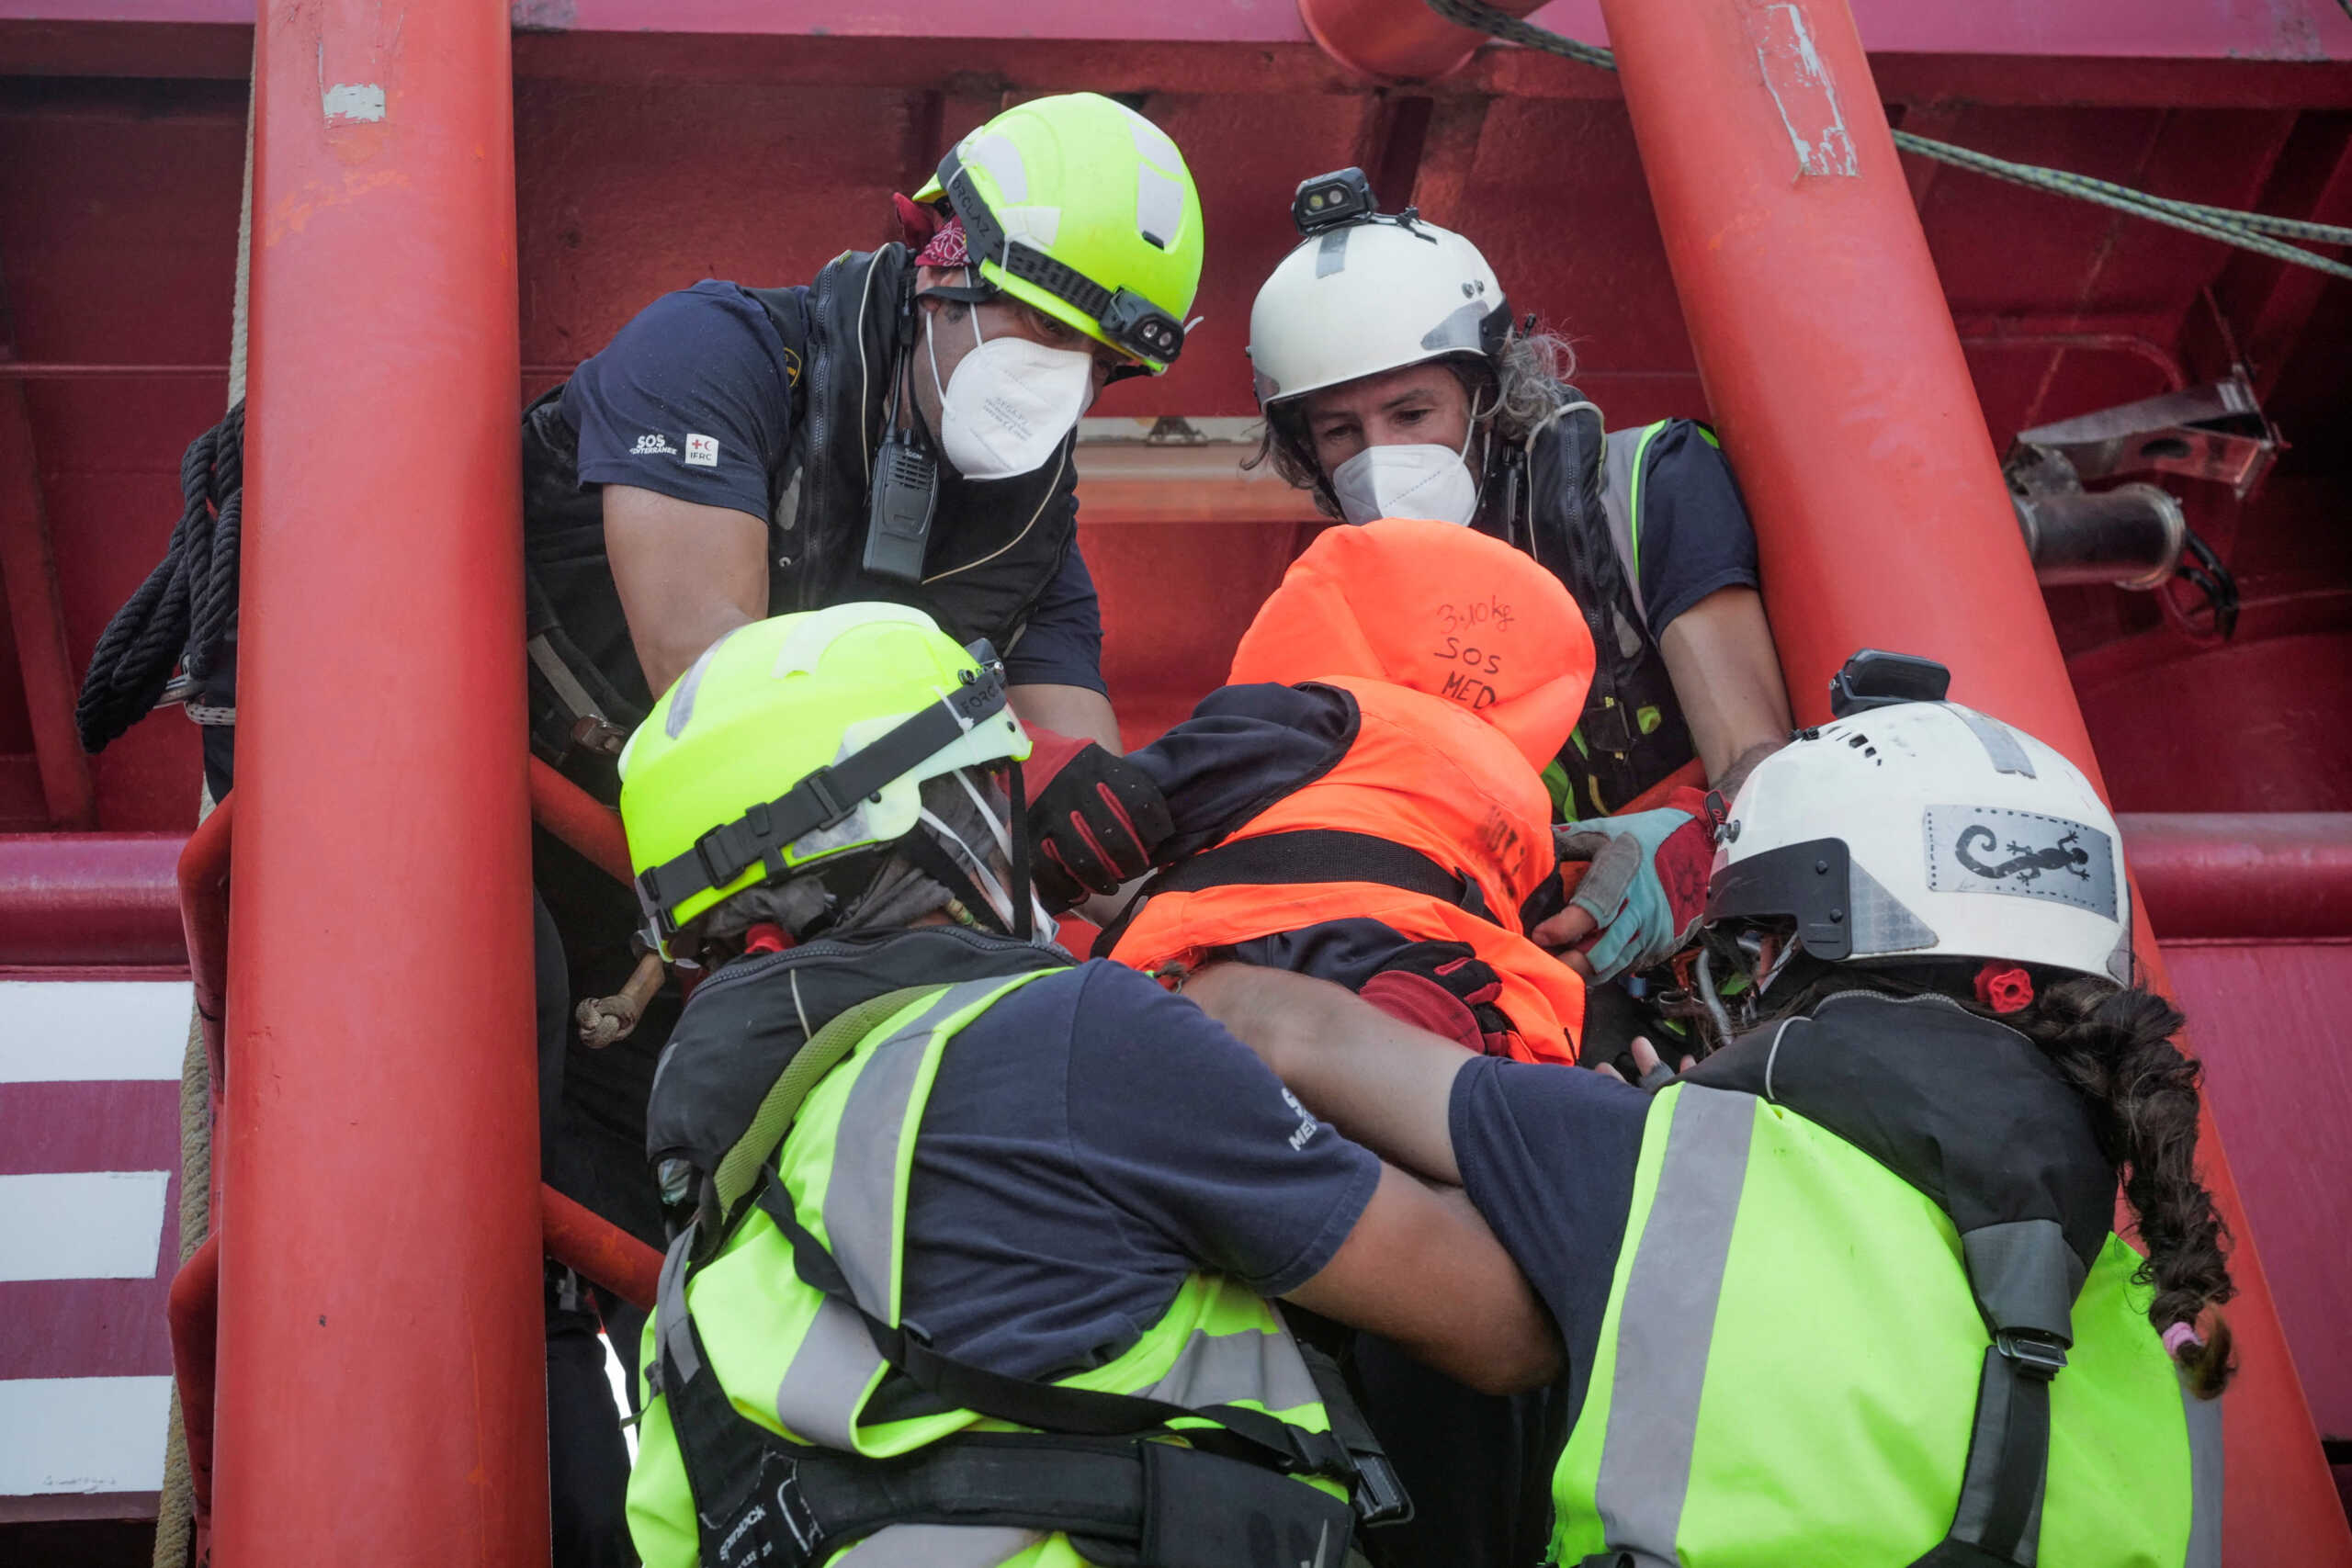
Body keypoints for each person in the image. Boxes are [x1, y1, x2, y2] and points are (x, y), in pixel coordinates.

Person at [518, 92, 1203, 1560]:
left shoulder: (1035, 533)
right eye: (1034, 321)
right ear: (937, 250)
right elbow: (717, 702)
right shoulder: (714, 358)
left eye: (1100, 357)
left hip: (737, 974)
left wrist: (1148, 803)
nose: (1055, 376)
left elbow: (1067, 807)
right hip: (527, 869)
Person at [1187, 659, 2233, 1568]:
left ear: (1789, 948)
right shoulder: (2166, 1316)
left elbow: (1284, 1030)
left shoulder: (1659, 1159)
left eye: (1739, 955)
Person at [610, 604, 1559, 1568]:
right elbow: (1503, 1330)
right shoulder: (1073, 1038)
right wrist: (1389, 1064)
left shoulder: (701, 1265)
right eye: (989, 785)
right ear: (926, 820)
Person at [1246, 170, 1793, 991]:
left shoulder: (1643, 489)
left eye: (1410, 413)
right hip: (1530, 990)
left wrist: (1681, 856)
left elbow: (1760, 761)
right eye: (1339, 430)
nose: (1378, 456)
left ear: (1490, 394)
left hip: (1739, 953)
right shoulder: (1336, 626)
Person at [1091, 515, 1595, 1066]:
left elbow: (1135, 804)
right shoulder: (1525, 802)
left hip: (1283, 943)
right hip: (1458, 977)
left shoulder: (1316, 714)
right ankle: (1422, 1022)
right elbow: (1542, 931)